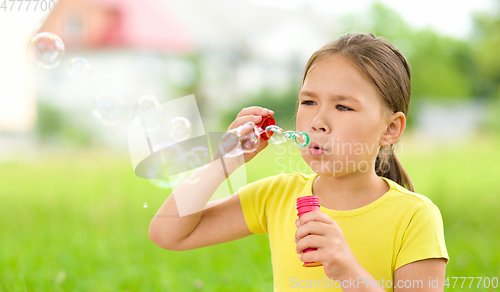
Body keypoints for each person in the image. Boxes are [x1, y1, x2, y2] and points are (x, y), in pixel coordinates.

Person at [149, 33, 449, 291]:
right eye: (308, 102)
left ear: (390, 129)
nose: (318, 121)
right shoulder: (277, 197)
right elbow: (167, 234)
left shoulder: (415, 217)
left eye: (343, 106)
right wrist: (223, 163)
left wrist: (346, 269)